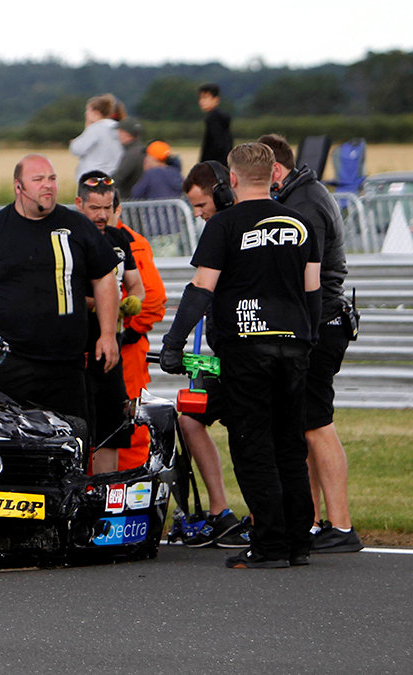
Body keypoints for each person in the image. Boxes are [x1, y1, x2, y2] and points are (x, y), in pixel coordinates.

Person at [161, 142, 321, 569]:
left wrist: (173, 344)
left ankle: (269, 545)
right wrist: (307, 340)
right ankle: (297, 543)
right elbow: (313, 292)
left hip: (247, 346)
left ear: (231, 179)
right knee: (290, 445)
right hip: (294, 344)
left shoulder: (225, 225)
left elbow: (201, 289)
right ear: (273, 175)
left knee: (253, 446)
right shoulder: (302, 224)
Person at [0, 154, 121, 438]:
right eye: (38, 180)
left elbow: (105, 279)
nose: (48, 186)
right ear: (19, 187)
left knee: (73, 443)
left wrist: (107, 334)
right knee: (4, 442)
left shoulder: (77, 226)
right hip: (11, 360)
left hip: (67, 363)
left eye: (52, 179)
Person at [257, 133, 362, 554]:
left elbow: (308, 275)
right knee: (304, 425)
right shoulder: (304, 193)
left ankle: (340, 524)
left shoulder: (303, 204)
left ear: (275, 171)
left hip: (321, 323)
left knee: (317, 424)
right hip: (319, 321)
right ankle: (315, 521)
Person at [175, 160, 251, 548]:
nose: (198, 213)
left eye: (201, 204)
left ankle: (263, 517)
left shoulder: (240, 225)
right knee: (189, 418)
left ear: (222, 191)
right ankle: (220, 512)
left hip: (248, 354)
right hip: (218, 353)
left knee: (252, 433)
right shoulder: (215, 230)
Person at [75, 172, 144, 473]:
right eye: (94, 208)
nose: (102, 215)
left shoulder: (119, 240)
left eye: (107, 207)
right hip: (79, 345)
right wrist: (103, 305)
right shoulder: (70, 239)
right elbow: (64, 293)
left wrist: (134, 301)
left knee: (112, 427)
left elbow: (136, 285)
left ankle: (108, 498)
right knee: (78, 426)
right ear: (79, 204)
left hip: (112, 348)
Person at [111, 189, 167, 472]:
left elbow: (154, 298)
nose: (100, 215)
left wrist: (128, 331)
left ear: (118, 210)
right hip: (90, 349)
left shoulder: (133, 242)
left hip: (127, 351)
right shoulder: (76, 235)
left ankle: (130, 491)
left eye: (106, 207)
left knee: (128, 424)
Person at [68, 94, 123, 181]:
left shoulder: (95, 128)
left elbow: (77, 149)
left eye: (88, 110)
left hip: (92, 178)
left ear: (96, 112)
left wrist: (87, 127)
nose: (86, 113)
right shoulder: (118, 127)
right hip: (112, 177)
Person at [198, 83, 233, 165]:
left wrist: (204, 166)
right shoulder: (220, 118)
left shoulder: (213, 118)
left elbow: (216, 146)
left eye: (205, 98)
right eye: (200, 98)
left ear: (216, 99)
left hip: (214, 166)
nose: (201, 101)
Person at [112, 117, 146, 198]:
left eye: (120, 131)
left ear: (126, 133)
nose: (118, 135)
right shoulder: (142, 150)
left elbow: (118, 177)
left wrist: (101, 185)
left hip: (132, 202)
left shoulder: (132, 154)